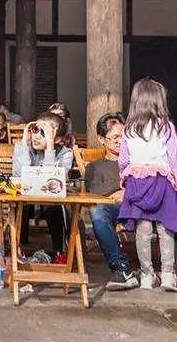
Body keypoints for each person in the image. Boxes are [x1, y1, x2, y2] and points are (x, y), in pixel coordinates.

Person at [117, 78, 177, 291]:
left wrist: (123, 176)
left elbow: (123, 159)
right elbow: (173, 158)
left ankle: (146, 276)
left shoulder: (129, 129)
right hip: (162, 182)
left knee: (143, 230)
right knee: (165, 228)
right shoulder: (167, 127)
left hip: (137, 182)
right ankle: (168, 275)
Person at [86, 113, 138, 290]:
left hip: (138, 205)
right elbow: (96, 193)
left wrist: (126, 193)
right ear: (102, 139)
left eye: (123, 136)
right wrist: (120, 192)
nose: (120, 141)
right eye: (115, 137)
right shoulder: (95, 167)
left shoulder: (136, 161)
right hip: (113, 209)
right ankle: (121, 269)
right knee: (97, 212)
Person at [13, 112, 74, 263]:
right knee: (20, 204)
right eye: (35, 130)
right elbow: (19, 175)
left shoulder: (65, 153)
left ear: (58, 138)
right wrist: (24, 141)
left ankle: (60, 251)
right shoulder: (24, 148)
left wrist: (50, 149)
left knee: (54, 205)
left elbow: (52, 182)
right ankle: (19, 249)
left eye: (44, 133)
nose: (36, 136)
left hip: (50, 201)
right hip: (27, 200)